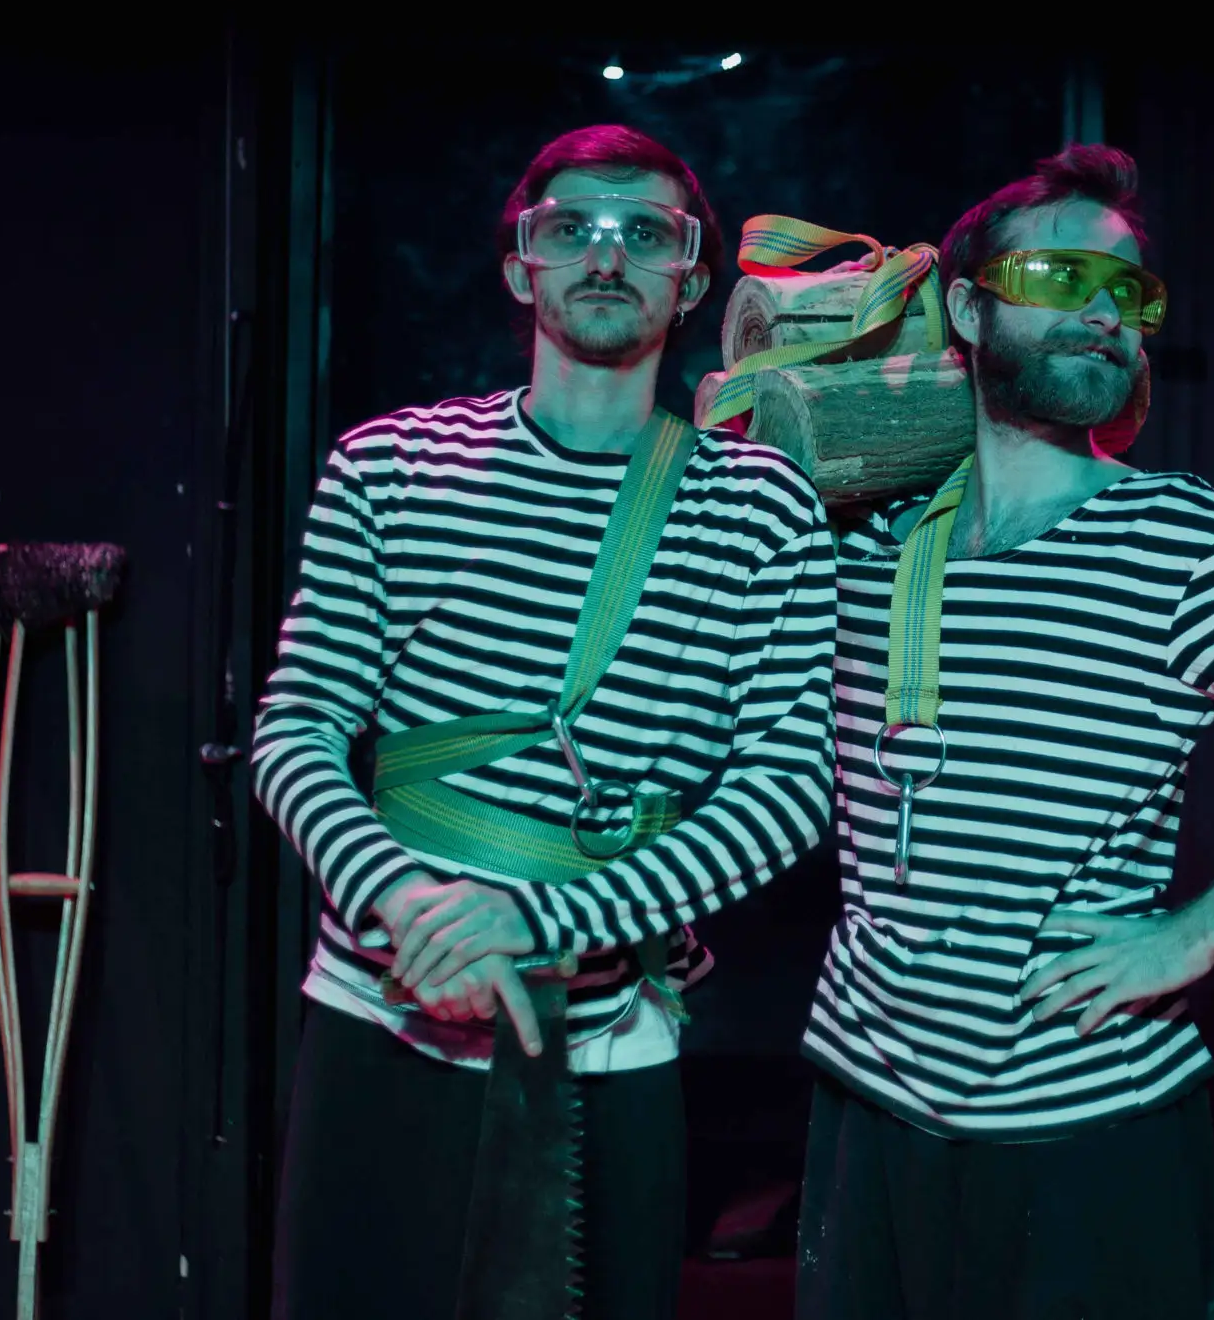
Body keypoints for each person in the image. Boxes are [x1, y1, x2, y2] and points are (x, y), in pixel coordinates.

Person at [485, 144, 1214, 1318]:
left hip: (1088, 1132)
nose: (1103, 314)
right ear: (965, 309)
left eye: (1127, 294)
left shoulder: (1188, 543)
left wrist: (1194, 936)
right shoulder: (863, 547)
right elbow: (700, 711)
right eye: (1062, 278)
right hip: (866, 1115)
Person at [252, 125, 840, 1320]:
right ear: (521, 268)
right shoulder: (391, 466)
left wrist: (536, 918)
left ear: (692, 278)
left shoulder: (759, 506)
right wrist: (405, 903)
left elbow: (786, 790)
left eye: (646, 234)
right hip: (381, 1008)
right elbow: (296, 727)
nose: (605, 256)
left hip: (611, 1033)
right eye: (569, 228)